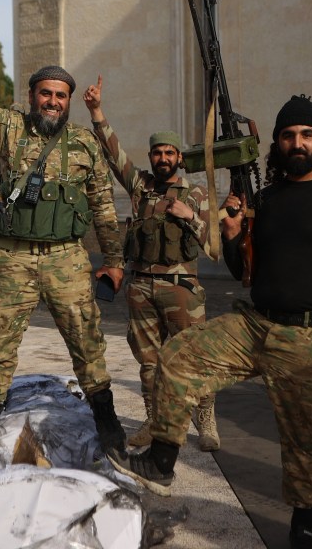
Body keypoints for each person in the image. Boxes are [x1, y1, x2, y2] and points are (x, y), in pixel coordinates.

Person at [109, 95, 312, 549]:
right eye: (288, 136)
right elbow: (245, 273)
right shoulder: (266, 199)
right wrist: (236, 237)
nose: (297, 143)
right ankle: (161, 459)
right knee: (179, 354)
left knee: (304, 441)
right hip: (254, 324)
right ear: (276, 144)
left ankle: (305, 526)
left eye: (306, 135)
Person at [0, 25, 127, 458]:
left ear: (69, 100)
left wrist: (115, 259)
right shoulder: (9, 127)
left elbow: (102, 204)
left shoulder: (84, 143)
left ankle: (106, 418)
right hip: (15, 257)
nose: (52, 101)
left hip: (67, 259)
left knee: (87, 342)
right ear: (32, 97)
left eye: (61, 95)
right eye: (45, 93)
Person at [82, 76, 218, 451]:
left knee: (195, 358)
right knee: (148, 364)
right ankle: (154, 421)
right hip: (141, 287)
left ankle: (206, 419)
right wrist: (96, 111)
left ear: (178, 157)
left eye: (169, 153)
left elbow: (213, 245)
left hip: (182, 289)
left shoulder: (195, 193)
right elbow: (114, 154)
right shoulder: (140, 186)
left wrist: (189, 215)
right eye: (157, 152)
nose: (162, 158)